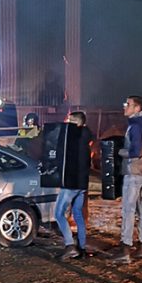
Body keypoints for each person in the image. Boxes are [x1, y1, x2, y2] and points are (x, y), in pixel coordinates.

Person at [112, 96, 142, 263]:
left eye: (127, 104)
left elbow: (136, 151)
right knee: (141, 211)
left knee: (128, 211)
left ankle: (125, 250)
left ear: (137, 108)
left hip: (133, 171)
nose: (124, 107)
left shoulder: (135, 126)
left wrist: (120, 152)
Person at [54, 111, 94, 261]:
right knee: (78, 214)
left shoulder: (72, 139)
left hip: (71, 183)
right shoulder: (86, 137)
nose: (66, 123)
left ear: (77, 123)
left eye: (69, 120)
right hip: (82, 184)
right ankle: (82, 248)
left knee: (58, 213)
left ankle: (70, 246)